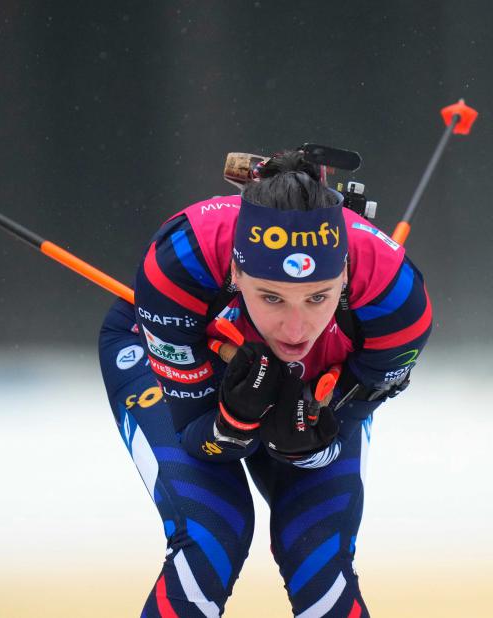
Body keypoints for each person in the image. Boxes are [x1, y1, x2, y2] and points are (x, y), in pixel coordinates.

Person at [98, 150, 431, 617]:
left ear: (345, 274)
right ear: (236, 273)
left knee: (316, 551)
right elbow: (195, 435)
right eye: (271, 297)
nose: (295, 329)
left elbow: (337, 432)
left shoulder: (395, 298)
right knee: (213, 532)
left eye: (318, 297)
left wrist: (304, 446)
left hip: (314, 375)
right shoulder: (183, 258)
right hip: (173, 346)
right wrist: (233, 423)